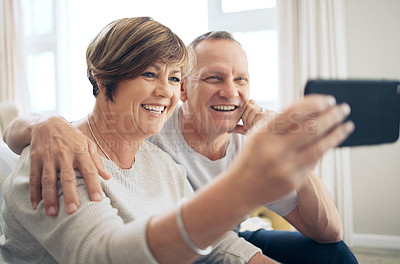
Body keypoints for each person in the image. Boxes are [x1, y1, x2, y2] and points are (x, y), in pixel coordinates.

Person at [2, 21, 356, 264]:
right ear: (102, 77)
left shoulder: (162, 166)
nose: (165, 91)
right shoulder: (62, 155)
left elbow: (222, 242)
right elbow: (102, 254)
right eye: (149, 73)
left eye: (173, 77)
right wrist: (243, 187)